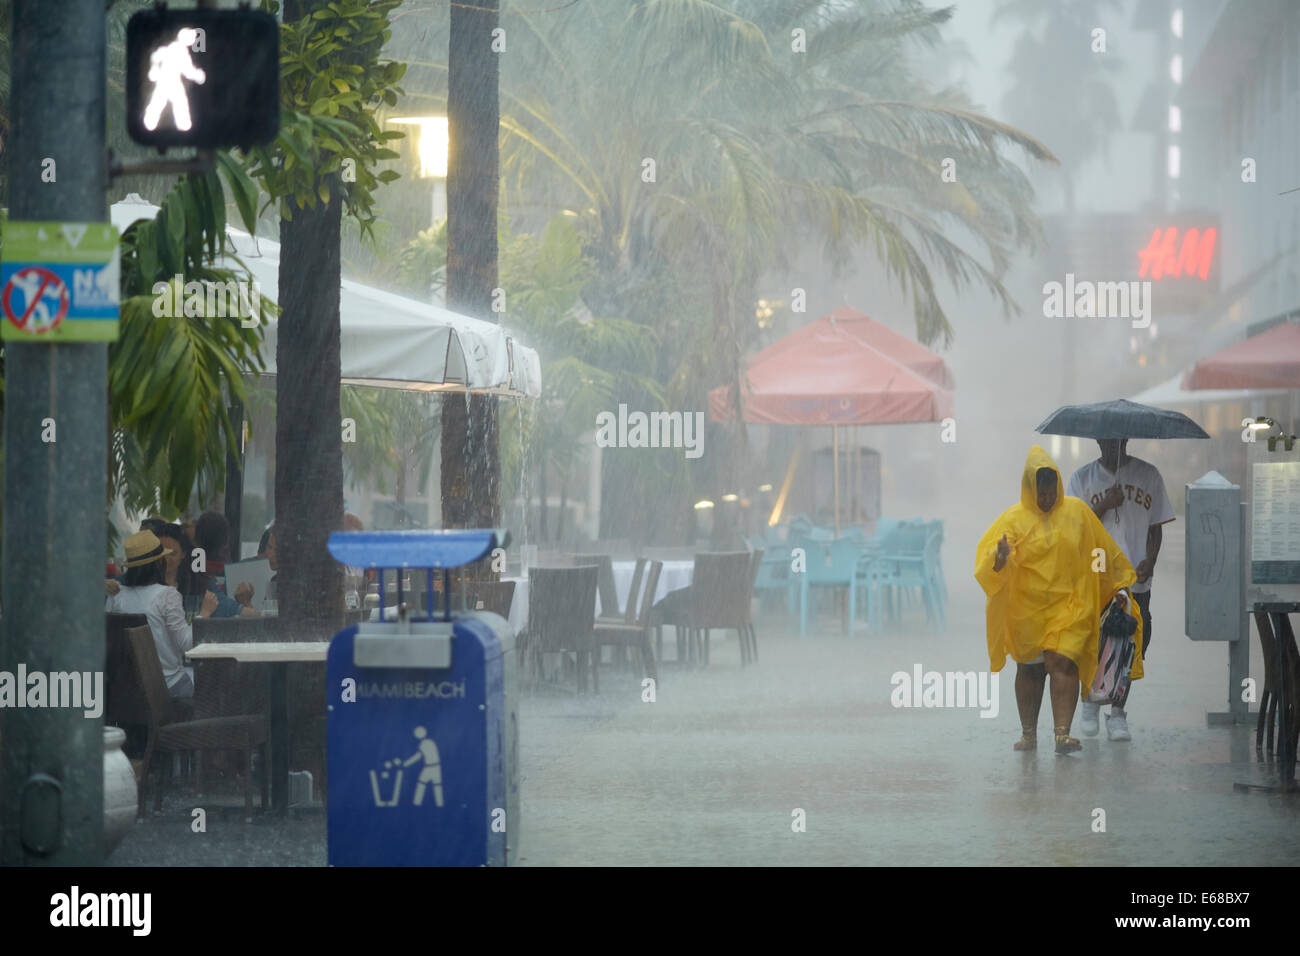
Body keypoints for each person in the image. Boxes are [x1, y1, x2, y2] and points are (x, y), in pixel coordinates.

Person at [975, 446, 1142, 754]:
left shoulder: (1077, 512)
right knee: (1030, 670)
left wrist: (1115, 587)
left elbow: (1097, 552)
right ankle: (1029, 735)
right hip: (1027, 611)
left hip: (1071, 606)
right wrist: (999, 559)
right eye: (1041, 493)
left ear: (1059, 487)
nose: (1047, 499)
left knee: (1063, 661)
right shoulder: (1012, 520)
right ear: (1029, 489)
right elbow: (990, 564)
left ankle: (1062, 734)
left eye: (1051, 492)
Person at [1066, 438, 1173, 742]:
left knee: (1130, 644)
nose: (1112, 445)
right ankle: (1090, 700)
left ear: (1127, 440)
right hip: (1096, 575)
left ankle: (1117, 713)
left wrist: (1150, 560)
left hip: (1136, 576)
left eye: (1118, 439)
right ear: (1098, 441)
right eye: (1107, 440)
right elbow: (1075, 527)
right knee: (1094, 639)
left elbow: (1156, 526)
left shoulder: (1148, 475)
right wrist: (1102, 504)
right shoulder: (1082, 478)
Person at [106, 530, 217, 698]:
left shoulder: (116, 595)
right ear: (158, 563)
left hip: (128, 692)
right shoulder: (167, 596)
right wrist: (204, 613)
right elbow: (187, 645)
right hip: (169, 689)